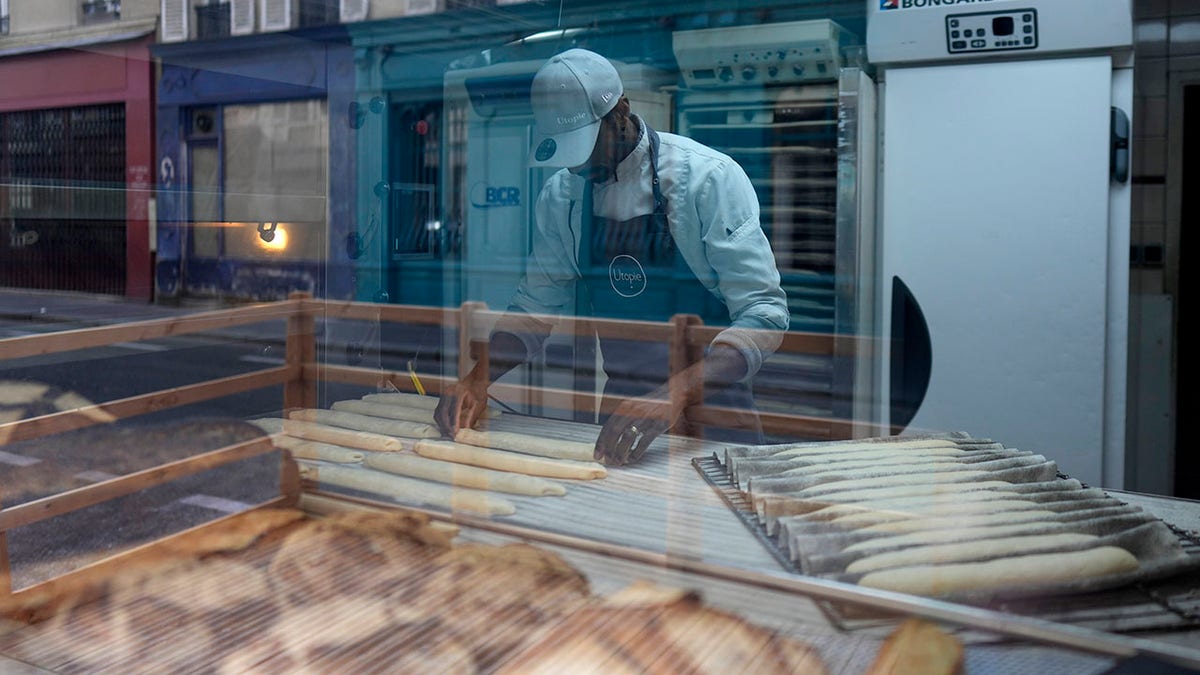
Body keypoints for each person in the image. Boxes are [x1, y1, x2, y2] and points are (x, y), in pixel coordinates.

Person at [435, 48, 789, 465]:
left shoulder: (705, 179)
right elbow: (534, 310)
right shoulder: (562, 196)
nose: (579, 165)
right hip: (622, 411)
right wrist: (478, 379)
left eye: (587, 145)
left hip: (716, 413)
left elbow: (764, 315)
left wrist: (671, 395)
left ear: (621, 111)